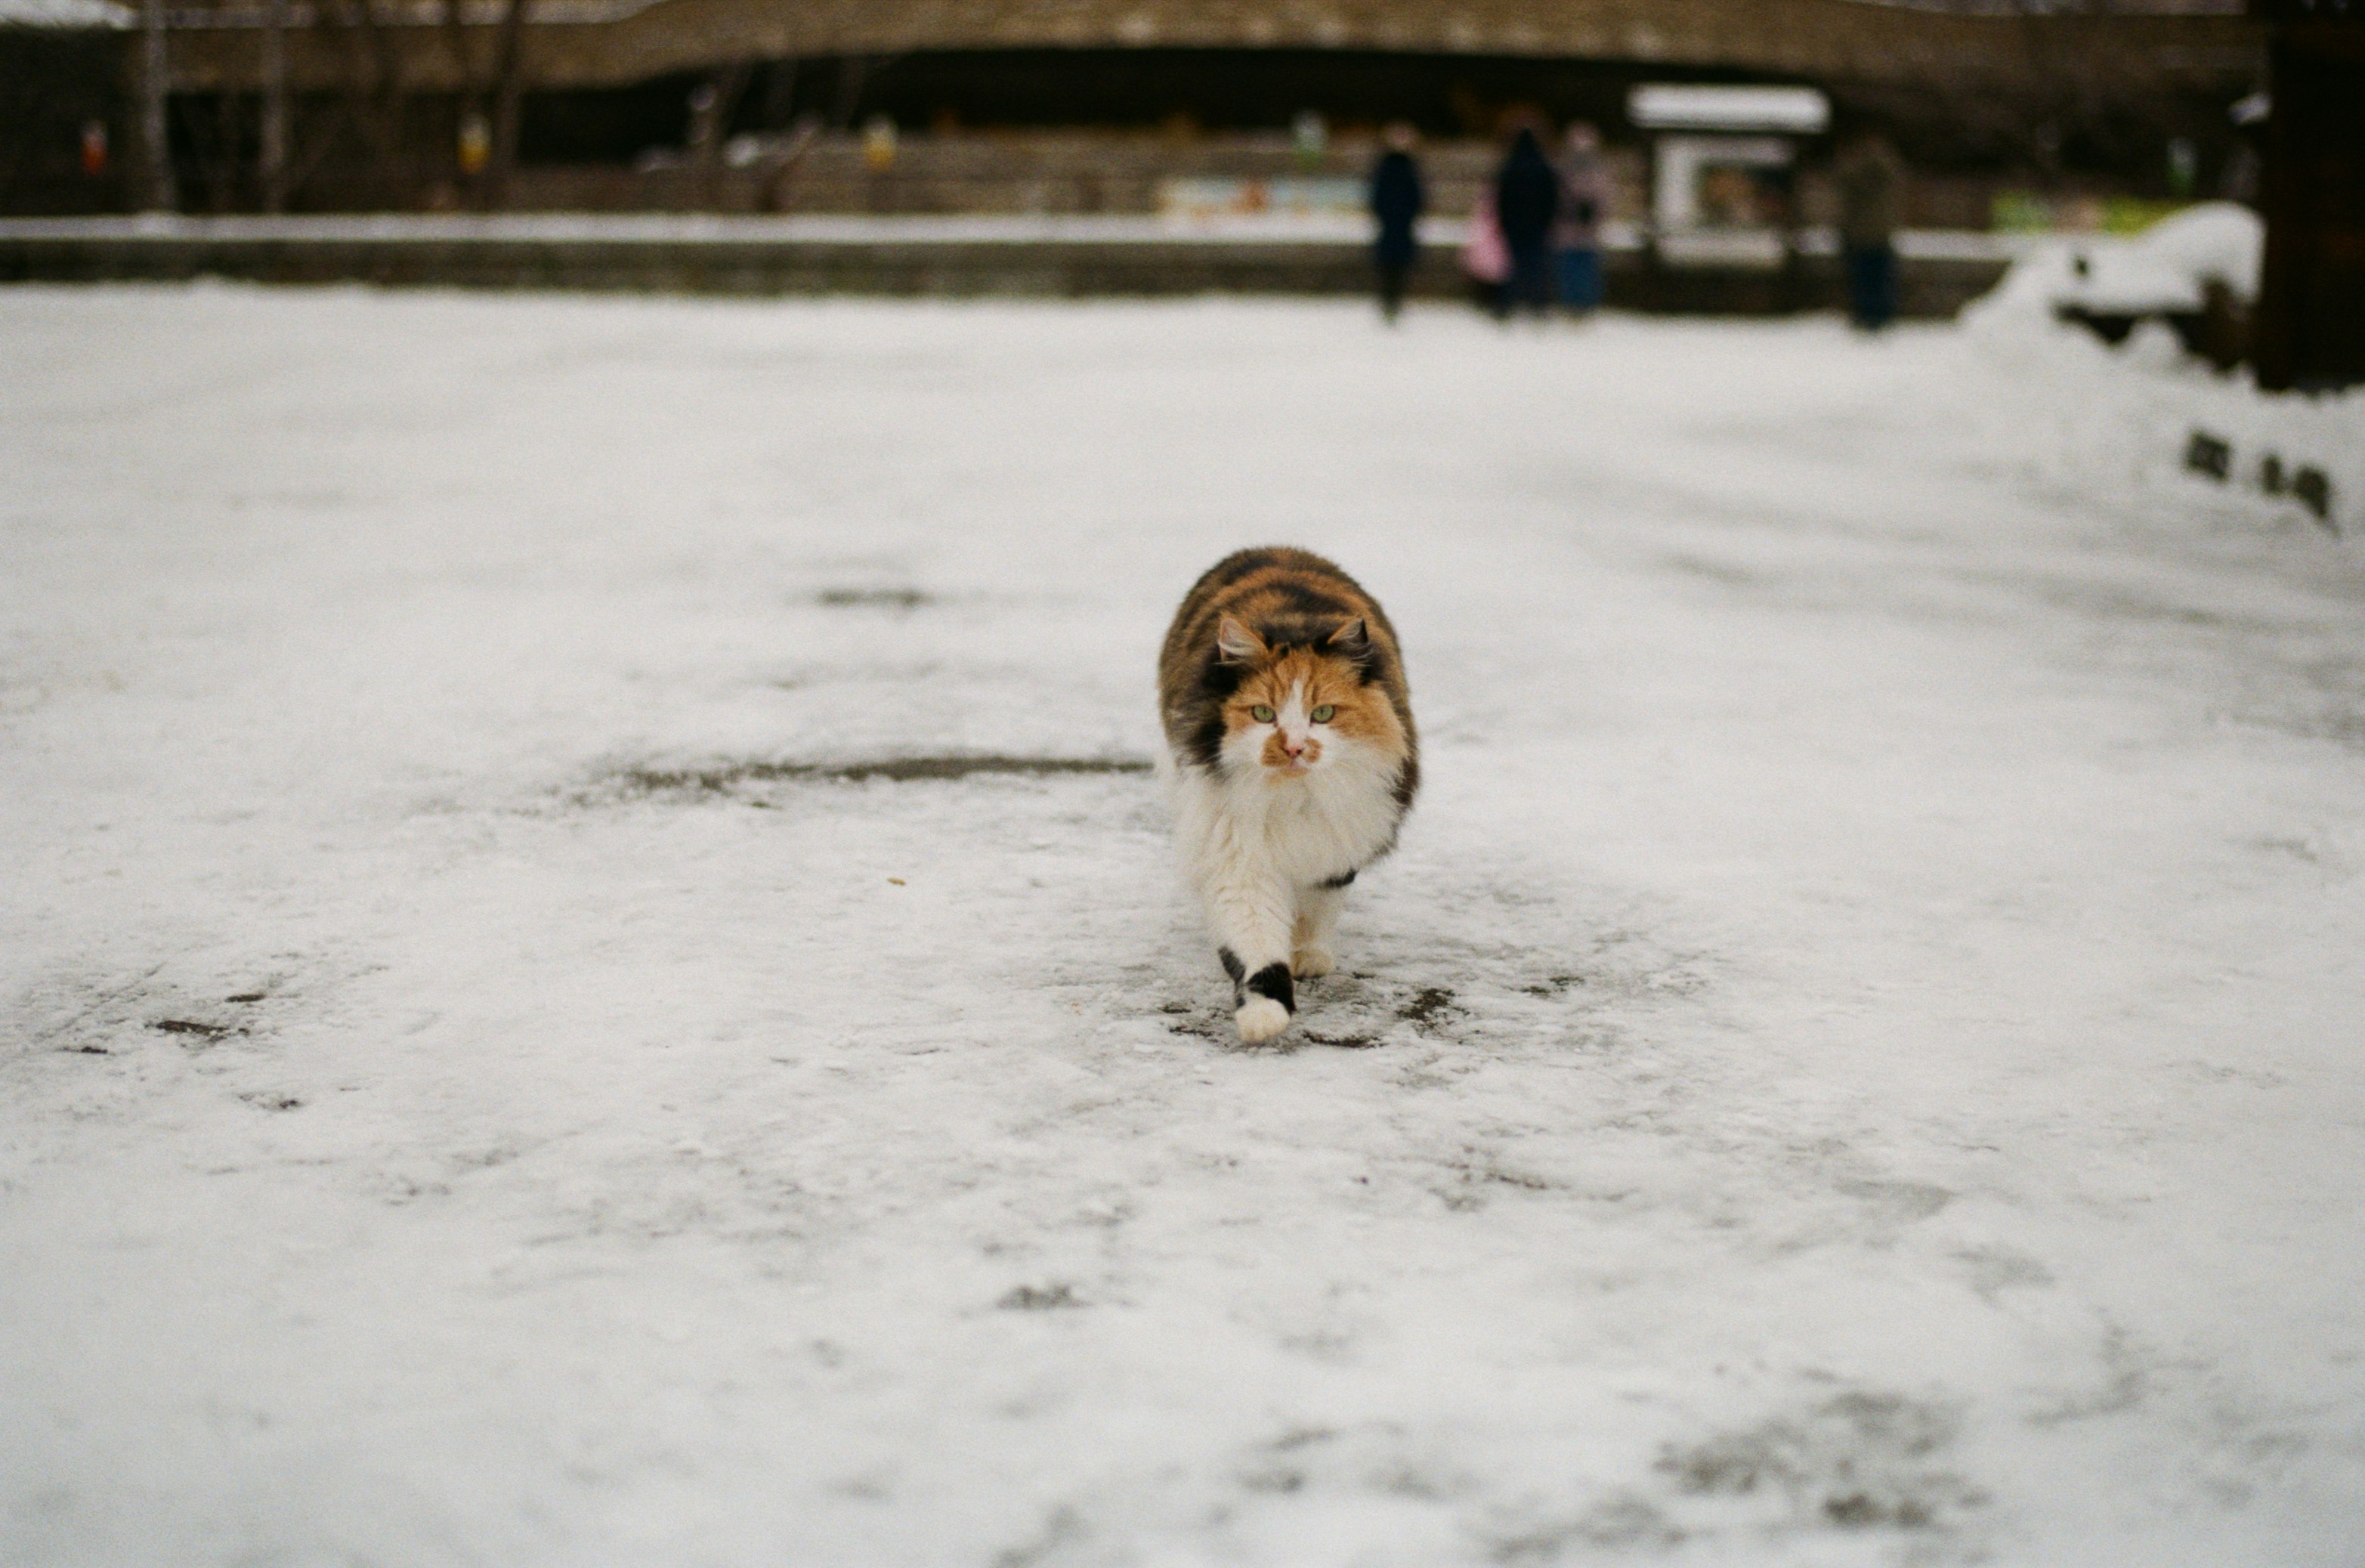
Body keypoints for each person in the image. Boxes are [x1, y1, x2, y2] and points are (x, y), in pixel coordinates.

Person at [1836, 131, 1906, 331]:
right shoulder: (1888, 167)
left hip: (1864, 234)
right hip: (1876, 233)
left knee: (1868, 278)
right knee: (1877, 278)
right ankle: (1876, 315)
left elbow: (1847, 180)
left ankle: (1871, 315)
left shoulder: (1867, 169)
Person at [1492, 124, 1560, 320]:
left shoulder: (1510, 166)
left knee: (1511, 266)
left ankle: (1507, 304)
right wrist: (1547, 221)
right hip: (1537, 225)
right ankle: (1537, 305)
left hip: (1514, 225)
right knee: (1536, 267)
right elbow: (1551, 198)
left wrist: (1504, 221)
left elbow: (1502, 197)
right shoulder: (1543, 167)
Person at [1367, 123, 1425, 323]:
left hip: (1392, 225)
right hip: (1400, 225)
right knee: (1397, 264)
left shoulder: (1386, 167)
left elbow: (1376, 197)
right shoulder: (1408, 168)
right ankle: (1393, 299)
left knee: (1390, 265)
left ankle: (1390, 299)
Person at [1552, 123, 1612, 316]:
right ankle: (1582, 304)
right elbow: (1605, 200)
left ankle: (1575, 304)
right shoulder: (1598, 171)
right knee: (1582, 269)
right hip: (1583, 232)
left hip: (1571, 231)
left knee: (1574, 269)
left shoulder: (1564, 168)